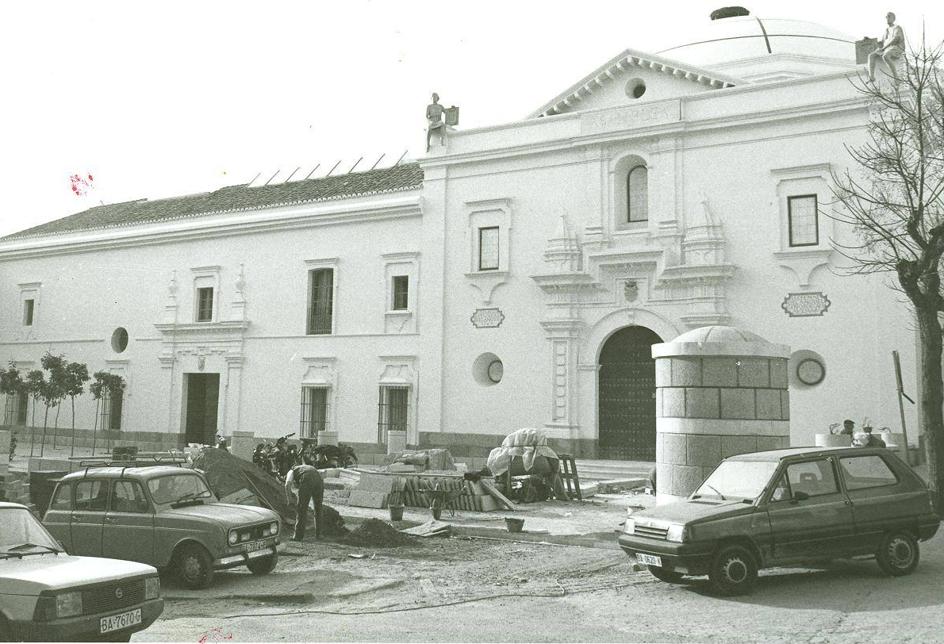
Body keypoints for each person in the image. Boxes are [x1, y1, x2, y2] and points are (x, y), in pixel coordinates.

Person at [284, 463, 324, 541]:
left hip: (307, 479)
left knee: (302, 509)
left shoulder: (291, 471)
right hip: (319, 480)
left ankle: (298, 536)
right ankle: (319, 534)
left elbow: (287, 485)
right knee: (318, 508)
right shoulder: (304, 468)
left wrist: (289, 499)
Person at [868, 12, 905, 81]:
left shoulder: (897, 28)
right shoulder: (887, 30)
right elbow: (882, 42)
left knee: (885, 56)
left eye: (889, 16)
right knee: (871, 55)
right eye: (886, 17)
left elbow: (896, 39)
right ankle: (871, 77)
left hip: (897, 48)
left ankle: (896, 77)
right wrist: (869, 41)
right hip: (887, 49)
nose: (887, 18)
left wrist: (884, 48)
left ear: (893, 19)